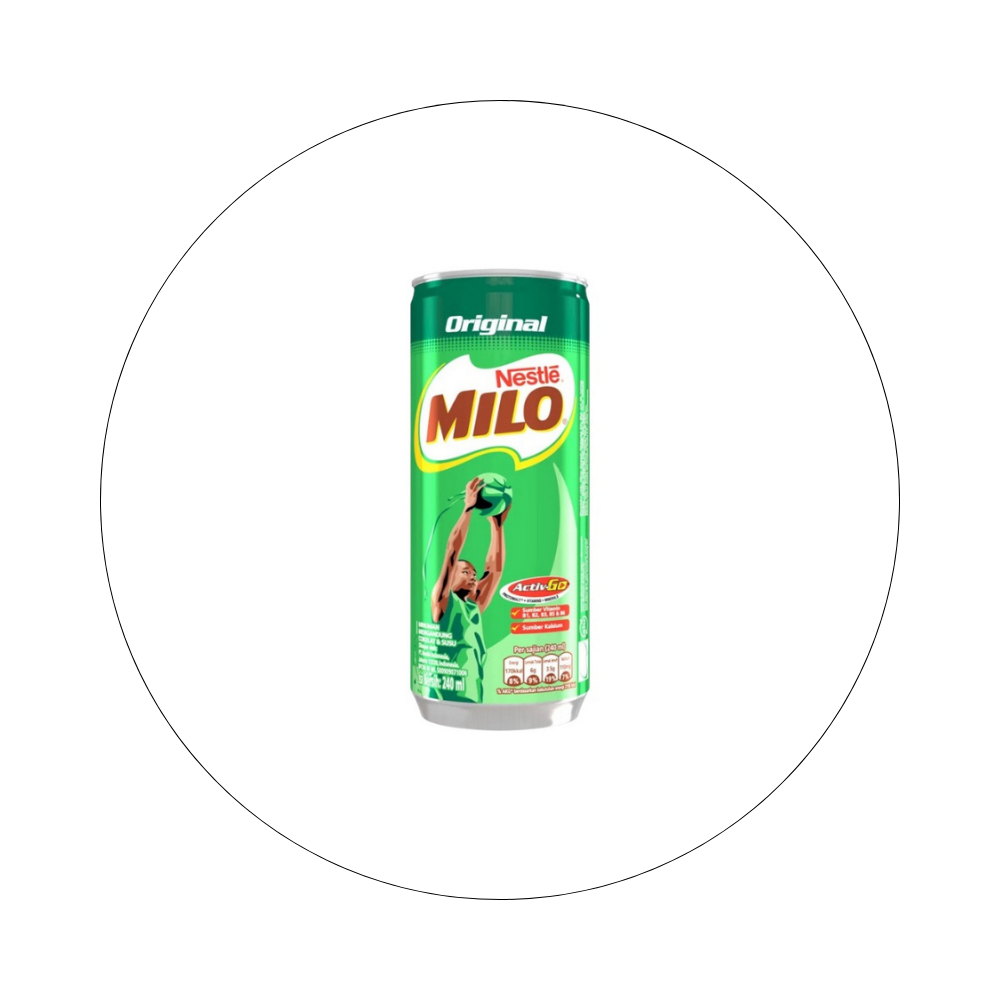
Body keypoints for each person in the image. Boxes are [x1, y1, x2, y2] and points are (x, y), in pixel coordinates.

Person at [430, 476, 512, 702]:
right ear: (451, 578)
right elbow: (452, 552)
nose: (474, 576)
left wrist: (497, 526)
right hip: (446, 694)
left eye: (474, 573)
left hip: (476, 696)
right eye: (465, 572)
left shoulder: (473, 608)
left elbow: (493, 571)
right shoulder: (443, 604)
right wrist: (467, 509)